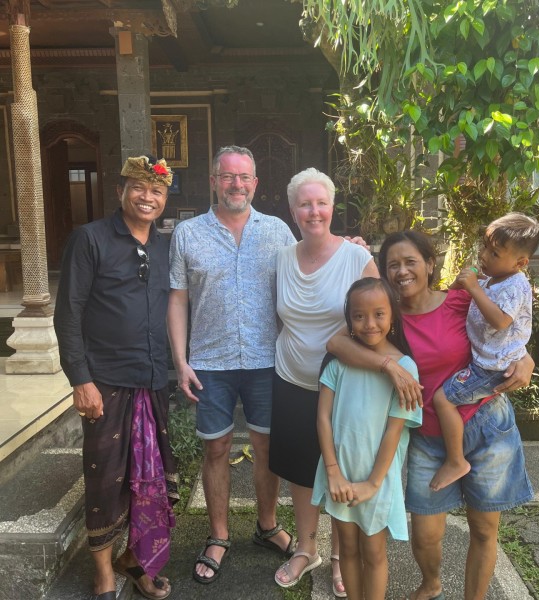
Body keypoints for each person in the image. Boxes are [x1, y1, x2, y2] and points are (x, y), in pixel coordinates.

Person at [327, 230, 535, 600]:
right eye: (393, 265)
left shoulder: (459, 300)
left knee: (484, 528)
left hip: (485, 425)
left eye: (411, 262)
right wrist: (388, 365)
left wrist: (525, 358)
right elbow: (336, 342)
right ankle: (431, 584)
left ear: (429, 264)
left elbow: (504, 329)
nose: (402, 271)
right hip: (428, 435)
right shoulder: (387, 317)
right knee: (424, 535)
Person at [167, 146, 297, 585]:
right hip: (210, 362)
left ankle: (267, 525)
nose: (236, 184)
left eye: (244, 177)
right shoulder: (188, 234)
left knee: (266, 447)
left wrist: (350, 250)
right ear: (214, 182)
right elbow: (178, 299)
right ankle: (219, 535)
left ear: (255, 184)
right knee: (216, 448)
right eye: (227, 176)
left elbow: (308, 273)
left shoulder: (278, 231)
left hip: (267, 360)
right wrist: (181, 361)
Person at [54, 155, 178, 600]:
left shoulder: (166, 246)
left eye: (157, 191)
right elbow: (68, 313)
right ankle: (104, 572)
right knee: (105, 478)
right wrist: (80, 379)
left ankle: (134, 558)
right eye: (138, 188)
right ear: (120, 191)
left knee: (150, 478)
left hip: (153, 379)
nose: (147, 197)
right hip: (104, 381)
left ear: (165, 199)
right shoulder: (90, 239)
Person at [269, 167, 379, 596]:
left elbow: (380, 319)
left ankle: (338, 554)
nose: (313, 211)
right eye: (305, 204)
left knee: (341, 468)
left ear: (332, 207)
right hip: (291, 377)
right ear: (292, 209)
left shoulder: (355, 257)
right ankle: (306, 548)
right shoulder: (282, 257)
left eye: (321, 203)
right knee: (301, 470)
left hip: (342, 383)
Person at [312, 277, 422, 600]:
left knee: (373, 553)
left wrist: (373, 484)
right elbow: (322, 418)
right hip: (339, 473)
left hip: (378, 479)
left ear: (393, 316)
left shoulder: (405, 368)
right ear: (349, 320)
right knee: (346, 548)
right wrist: (333, 472)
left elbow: (394, 431)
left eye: (379, 314)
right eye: (359, 316)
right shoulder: (339, 362)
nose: (369, 323)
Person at [430, 213, 539, 491]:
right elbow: (457, 301)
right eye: (484, 247)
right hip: (485, 361)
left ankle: (455, 461)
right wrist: (461, 285)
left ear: (520, 263)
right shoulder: (492, 280)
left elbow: (500, 321)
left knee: (443, 399)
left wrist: (473, 287)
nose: (483, 255)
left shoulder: (515, 285)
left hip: (493, 368)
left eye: (494, 253)